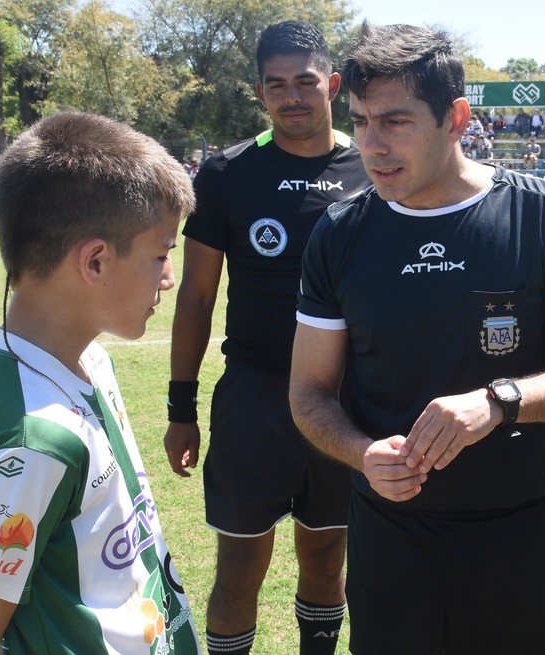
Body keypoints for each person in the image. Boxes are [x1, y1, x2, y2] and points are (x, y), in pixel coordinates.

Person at [288, 23, 545, 654]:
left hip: (517, 534)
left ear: (456, 118)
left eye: (396, 121)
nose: (372, 145)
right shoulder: (338, 235)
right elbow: (307, 393)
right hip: (390, 536)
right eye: (359, 122)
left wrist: (498, 401)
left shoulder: (539, 214)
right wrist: (362, 453)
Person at [0, 111, 200, 654]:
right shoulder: (32, 446)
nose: (169, 277)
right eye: (161, 255)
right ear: (95, 261)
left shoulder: (86, 360)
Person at [162, 21, 372, 655]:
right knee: (238, 569)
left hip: (345, 398)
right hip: (255, 396)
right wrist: (181, 409)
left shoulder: (371, 167)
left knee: (327, 553)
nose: (293, 97)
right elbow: (196, 297)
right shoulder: (228, 173)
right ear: (260, 92)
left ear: (332, 84)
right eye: (277, 85)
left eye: (306, 82)